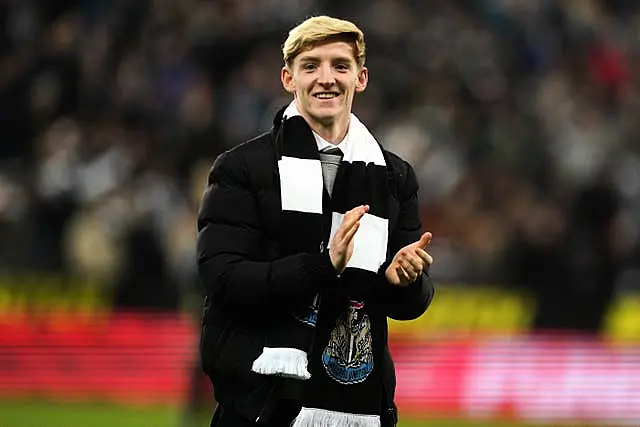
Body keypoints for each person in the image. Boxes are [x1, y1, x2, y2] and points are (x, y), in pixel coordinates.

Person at [196, 15, 435, 427]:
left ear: (360, 78)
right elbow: (223, 279)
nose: (327, 78)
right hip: (262, 406)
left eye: (340, 65)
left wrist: (404, 282)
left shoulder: (394, 177)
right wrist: (324, 268)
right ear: (288, 78)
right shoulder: (242, 168)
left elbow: (409, 302)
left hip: (360, 405)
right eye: (311, 66)